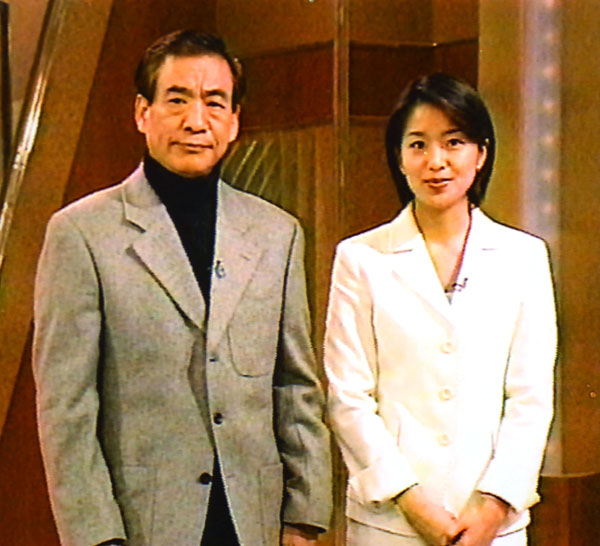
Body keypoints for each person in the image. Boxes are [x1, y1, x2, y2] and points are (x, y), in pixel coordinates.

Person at [33, 30, 332, 546]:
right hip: (140, 525)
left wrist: (304, 518)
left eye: (214, 102)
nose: (197, 120)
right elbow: (67, 409)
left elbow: (296, 387)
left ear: (234, 120)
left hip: (254, 522)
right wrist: (97, 537)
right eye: (177, 100)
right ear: (142, 112)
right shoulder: (81, 234)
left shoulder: (277, 233)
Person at [323, 73, 556, 546]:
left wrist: (493, 505)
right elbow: (348, 397)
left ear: (481, 153)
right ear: (399, 157)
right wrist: (413, 503)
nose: (436, 162)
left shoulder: (523, 257)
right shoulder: (361, 258)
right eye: (418, 145)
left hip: (494, 526)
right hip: (390, 523)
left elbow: (530, 398)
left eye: (454, 143)